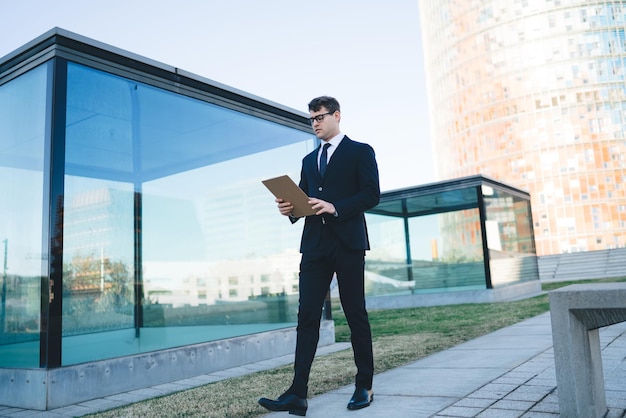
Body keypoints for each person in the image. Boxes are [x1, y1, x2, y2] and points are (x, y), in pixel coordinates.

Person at [258, 96, 380, 416]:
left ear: (336, 116)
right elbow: (301, 199)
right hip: (314, 245)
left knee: (355, 313)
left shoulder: (360, 151)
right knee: (307, 317)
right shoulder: (309, 161)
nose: (315, 123)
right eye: (311, 119)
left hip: (348, 243)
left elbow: (371, 194)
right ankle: (297, 394)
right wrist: (289, 210)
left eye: (320, 117)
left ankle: (363, 385)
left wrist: (336, 207)